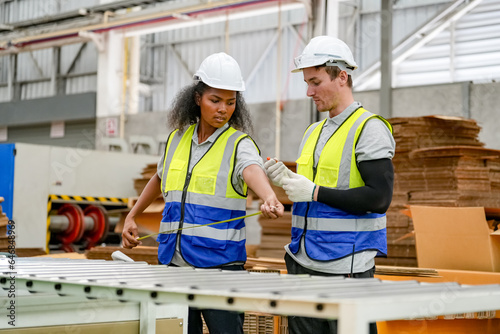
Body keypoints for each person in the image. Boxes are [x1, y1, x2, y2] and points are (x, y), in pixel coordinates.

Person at [122, 52, 284, 334]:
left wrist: (268, 196)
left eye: (231, 102)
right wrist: (132, 215)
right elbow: (160, 178)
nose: (223, 109)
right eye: (215, 100)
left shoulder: (238, 144)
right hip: (174, 264)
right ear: (198, 98)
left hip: (220, 269)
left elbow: (252, 169)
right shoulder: (177, 139)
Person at [264, 36, 395, 334]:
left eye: (316, 82)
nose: (309, 91)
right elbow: (315, 192)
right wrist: (286, 183)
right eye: (307, 83)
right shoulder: (313, 132)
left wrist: (313, 192)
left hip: (345, 268)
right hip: (304, 262)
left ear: (342, 77)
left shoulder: (369, 128)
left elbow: (379, 197)